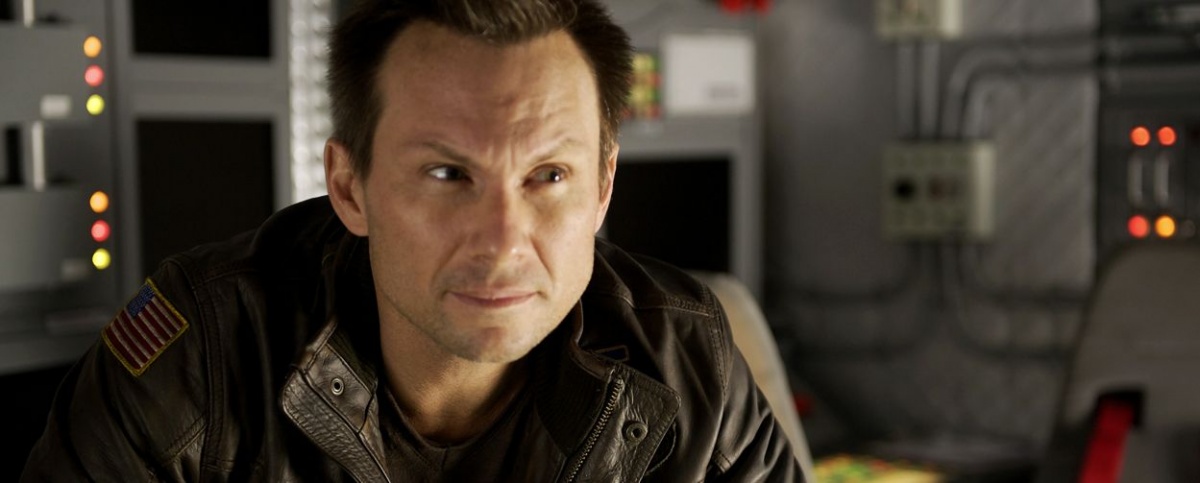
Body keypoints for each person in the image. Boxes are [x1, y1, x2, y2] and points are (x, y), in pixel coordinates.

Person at [21, 0, 801, 480]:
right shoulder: (202, 355)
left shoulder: (687, 360)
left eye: (548, 175)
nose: (503, 240)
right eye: (447, 173)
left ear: (602, 187)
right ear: (349, 186)